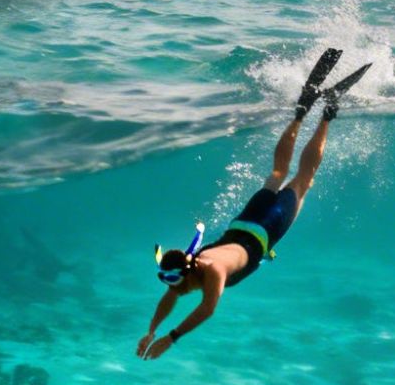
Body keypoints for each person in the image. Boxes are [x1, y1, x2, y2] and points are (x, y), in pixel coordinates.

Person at [137, 48, 369, 360]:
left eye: (178, 286)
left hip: (265, 226)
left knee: (302, 180)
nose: (177, 292)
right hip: (243, 223)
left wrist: (170, 338)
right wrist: (152, 329)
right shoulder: (187, 268)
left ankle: (327, 111)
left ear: (188, 274)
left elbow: (207, 310)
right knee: (276, 173)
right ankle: (301, 111)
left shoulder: (213, 270)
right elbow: (170, 296)